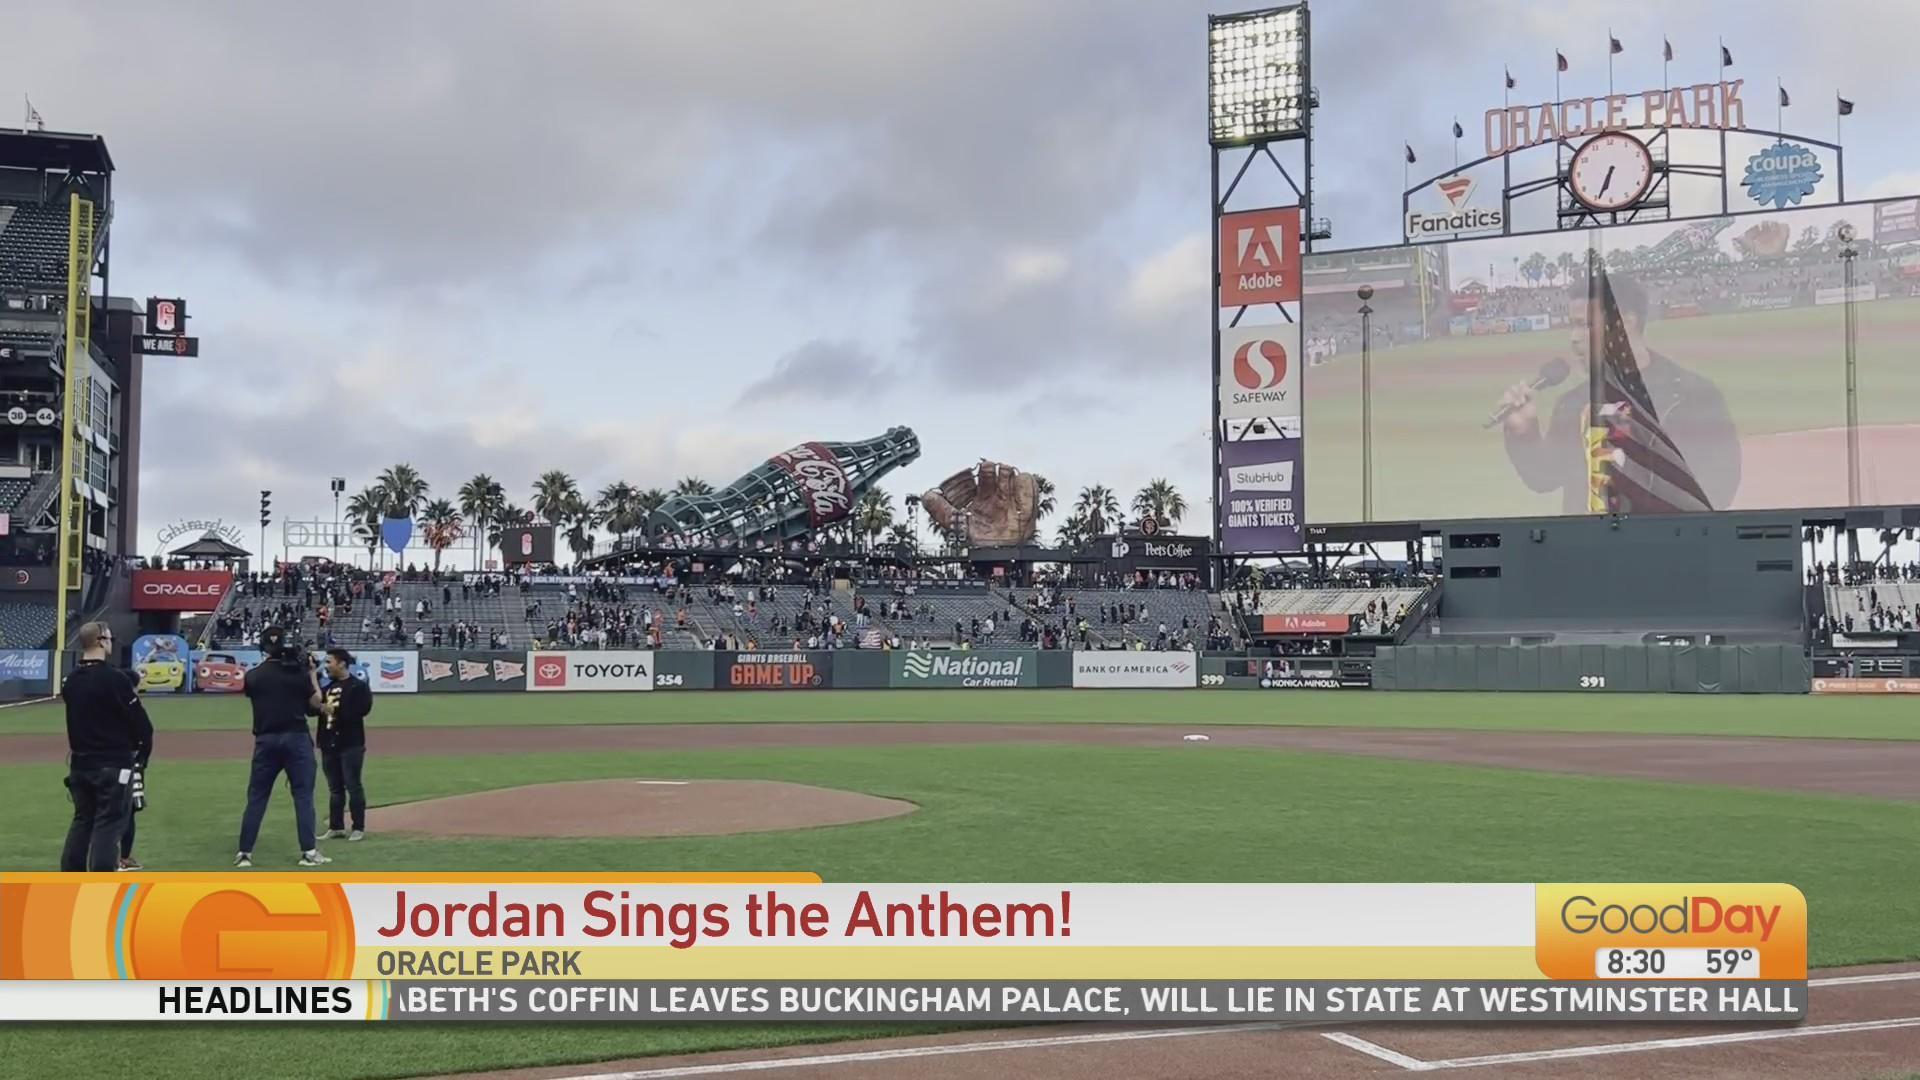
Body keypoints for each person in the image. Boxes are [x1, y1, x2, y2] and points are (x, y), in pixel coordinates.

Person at [1498, 274, 1740, 513]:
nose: (1573, 338)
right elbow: (1544, 479)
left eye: (1585, 324)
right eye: (1572, 325)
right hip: (1590, 548)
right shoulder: (1573, 404)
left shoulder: (1691, 395)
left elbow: (1720, 487)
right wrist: (1523, 432)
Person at [235, 626, 332, 867]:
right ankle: (308, 852)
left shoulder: (254, 676)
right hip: (296, 738)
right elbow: (315, 704)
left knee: (257, 797)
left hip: (265, 740)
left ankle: (244, 853)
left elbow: (254, 692)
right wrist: (310, 673)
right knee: (303, 797)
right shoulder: (298, 673)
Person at [60, 623, 152, 872]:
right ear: (101, 641)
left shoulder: (70, 681)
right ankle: (101, 884)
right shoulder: (115, 679)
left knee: (82, 822)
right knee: (108, 825)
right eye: (110, 637)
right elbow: (142, 725)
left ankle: (69, 881)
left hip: (80, 763)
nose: (112, 641)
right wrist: (142, 756)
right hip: (113, 763)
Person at [317, 649, 373, 842]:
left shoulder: (358, 687)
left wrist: (334, 709)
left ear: (341, 663)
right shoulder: (327, 687)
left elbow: (362, 711)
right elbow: (311, 710)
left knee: (353, 785)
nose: (326, 666)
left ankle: (358, 827)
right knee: (335, 788)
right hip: (328, 742)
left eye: (329, 662)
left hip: (351, 743)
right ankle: (336, 826)